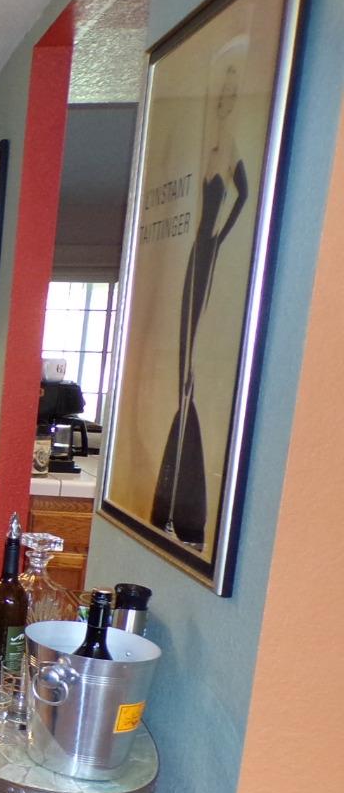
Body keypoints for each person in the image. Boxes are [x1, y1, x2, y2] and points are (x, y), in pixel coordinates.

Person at [150, 32, 250, 551]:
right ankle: (174, 499)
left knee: (190, 377)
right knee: (181, 379)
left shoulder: (227, 147)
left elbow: (247, 197)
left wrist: (219, 239)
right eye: (223, 87)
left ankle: (183, 502)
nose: (228, 96)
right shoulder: (207, 145)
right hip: (195, 259)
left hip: (206, 256)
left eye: (235, 87)